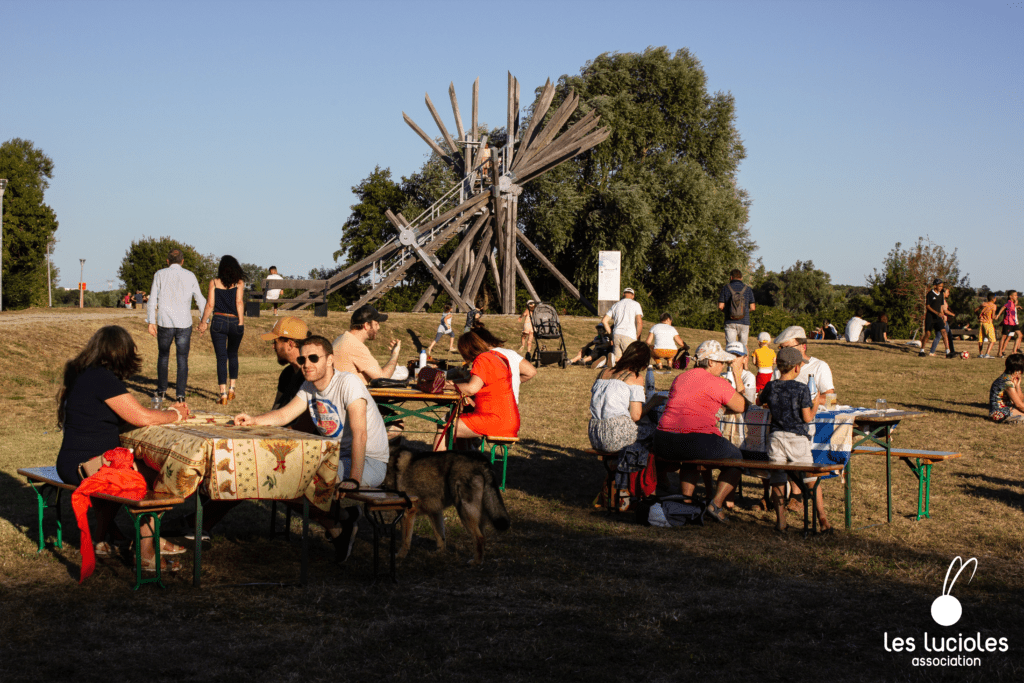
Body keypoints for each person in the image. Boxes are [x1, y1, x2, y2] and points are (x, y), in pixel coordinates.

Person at [234, 335, 391, 561]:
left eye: (314, 358)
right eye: (303, 358)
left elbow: (360, 434)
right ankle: (341, 521)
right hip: (336, 458)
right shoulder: (309, 386)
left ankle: (342, 521)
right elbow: (285, 414)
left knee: (298, 482)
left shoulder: (349, 383)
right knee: (279, 479)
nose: (307, 364)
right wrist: (253, 420)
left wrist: (354, 479)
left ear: (330, 360)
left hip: (369, 461)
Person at [56, 326, 191, 571]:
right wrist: (173, 414)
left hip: (74, 461)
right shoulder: (101, 378)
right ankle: (147, 550)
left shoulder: (85, 375)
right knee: (159, 476)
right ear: (122, 353)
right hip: (87, 466)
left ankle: (106, 538)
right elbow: (140, 417)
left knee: (134, 471)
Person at [654, 340, 750, 523]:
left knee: (691, 459)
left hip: (663, 439)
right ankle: (716, 504)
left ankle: (686, 501)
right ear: (711, 362)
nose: (723, 366)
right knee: (736, 459)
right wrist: (737, 375)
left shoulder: (680, 378)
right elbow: (741, 405)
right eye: (721, 362)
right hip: (695, 439)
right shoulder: (717, 382)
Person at [756, 346, 831, 533]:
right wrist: (814, 405)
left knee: (778, 478)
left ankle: (781, 522)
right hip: (797, 438)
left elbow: (759, 401)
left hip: (775, 438)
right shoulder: (801, 389)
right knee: (811, 477)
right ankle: (822, 518)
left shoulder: (771, 385)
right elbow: (806, 418)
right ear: (797, 368)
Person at [587, 341, 661, 505]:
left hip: (595, 432)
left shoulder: (604, 373)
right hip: (615, 433)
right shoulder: (634, 377)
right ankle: (645, 486)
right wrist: (653, 402)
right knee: (656, 433)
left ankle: (622, 483)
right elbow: (636, 415)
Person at [434, 331, 520, 449]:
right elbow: (473, 380)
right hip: (509, 419)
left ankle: (435, 465)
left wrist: (448, 386)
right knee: (458, 425)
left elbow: (471, 388)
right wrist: (452, 383)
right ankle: (463, 462)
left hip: (495, 420)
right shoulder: (497, 357)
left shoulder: (482, 359)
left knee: (444, 426)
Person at [146, 248, 207, 402]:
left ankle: (161, 391)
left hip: (164, 321)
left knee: (163, 356)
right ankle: (180, 395)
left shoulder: (159, 274)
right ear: (182, 261)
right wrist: (204, 320)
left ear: (167, 261)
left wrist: (151, 321)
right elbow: (200, 299)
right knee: (182, 359)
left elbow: (152, 299)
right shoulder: (190, 276)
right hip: (184, 322)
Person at [198, 255, 246, 405]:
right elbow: (239, 302)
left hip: (218, 320)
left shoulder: (213, 282)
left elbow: (210, 305)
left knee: (221, 358)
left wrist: (203, 322)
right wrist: (241, 322)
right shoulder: (239, 282)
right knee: (233, 354)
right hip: (234, 320)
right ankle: (232, 389)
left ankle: (223, 394)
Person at [260, 316, 315, 428]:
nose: (273, 347)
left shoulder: (311, 376)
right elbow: (276, 410)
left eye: (275, 342)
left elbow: (308, 424)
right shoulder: (287, 374)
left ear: (290, 344)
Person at [331, 304, 402, 385]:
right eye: (376, 324)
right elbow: (382, 378)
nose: (378, 327)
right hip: (354, 396)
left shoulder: (341, 339)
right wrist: (394, 354)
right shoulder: (354, 346)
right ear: (366, 325)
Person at [472, 326, 537, 405]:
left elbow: (472, 388)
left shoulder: (485, 356)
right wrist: (512, 381)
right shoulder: (510, 353)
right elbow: (531, 372)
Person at [773, 326, 836, 404]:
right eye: (781, 348)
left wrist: (800, 402)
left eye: (788, 348)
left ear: (804, 346)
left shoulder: (819, 366)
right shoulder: (779, 368)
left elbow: (831, 400)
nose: (784, 352)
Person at [602, 288, 644, 363]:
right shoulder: (636, 304)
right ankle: (609, 360)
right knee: (631, 358)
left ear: (623, 294)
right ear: (633, 296)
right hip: (629, 335)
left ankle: (610, 359)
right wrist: (638, 337)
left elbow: (604, 321)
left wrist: (611, 334)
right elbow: (639, 322)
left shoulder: (615, 305)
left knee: (619, 360)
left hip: (616, 334)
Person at [717, 269, 756, 347]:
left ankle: (732, 359)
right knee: (744, 348)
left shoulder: (725, 288)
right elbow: (753, 308)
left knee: (730, 347)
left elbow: (720, 306)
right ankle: (744, 359)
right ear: (741, 278)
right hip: (744, 321)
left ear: (731, 278)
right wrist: (744, 311)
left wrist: (728, 312)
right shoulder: (747, 289)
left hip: (730, 321)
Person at [920, 279, 952, 358]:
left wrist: (943, 316)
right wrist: (936, 312)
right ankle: (922, 350)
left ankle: (947, 352)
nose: (941, 287)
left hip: (938, 318)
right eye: (940, 286)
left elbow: (941, 306)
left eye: (942, 286)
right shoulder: (930, 294)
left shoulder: (941, 294)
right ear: (935, 286)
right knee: (928, 334)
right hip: (930, 317)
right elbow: (927, 306)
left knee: (944, 332)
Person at [989, 354, 1024, 423]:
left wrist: (1017, 386)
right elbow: (1019, 405)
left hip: (1008, 409)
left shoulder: (1009, 377)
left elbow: (1020, 400)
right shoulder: (1007, 381)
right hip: (1000, 413)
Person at [996, 291, 1019, 358]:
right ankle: (999, 353)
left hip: (1013, 323)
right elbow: (1003, 308)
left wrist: (1017, 306)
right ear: (1011, 296)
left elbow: (1012, 310)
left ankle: (1014, 351)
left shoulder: (1013, 303)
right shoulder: (1009, 303)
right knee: (1004, 337)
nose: (1017, 296)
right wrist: (998, 315)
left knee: (1020, 335)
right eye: (1015, 295)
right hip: (1008, 323)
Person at [975, 293, 998, 358]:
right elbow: (993, 317)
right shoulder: (993, 306)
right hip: (988, 323)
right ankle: (987, 354)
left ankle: (981, 354)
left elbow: (975, 310)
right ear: (994, 299)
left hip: (981, 323)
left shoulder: (984, 304)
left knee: (981, 339)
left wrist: (978, 316)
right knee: (992, 340)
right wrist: (996, 317)